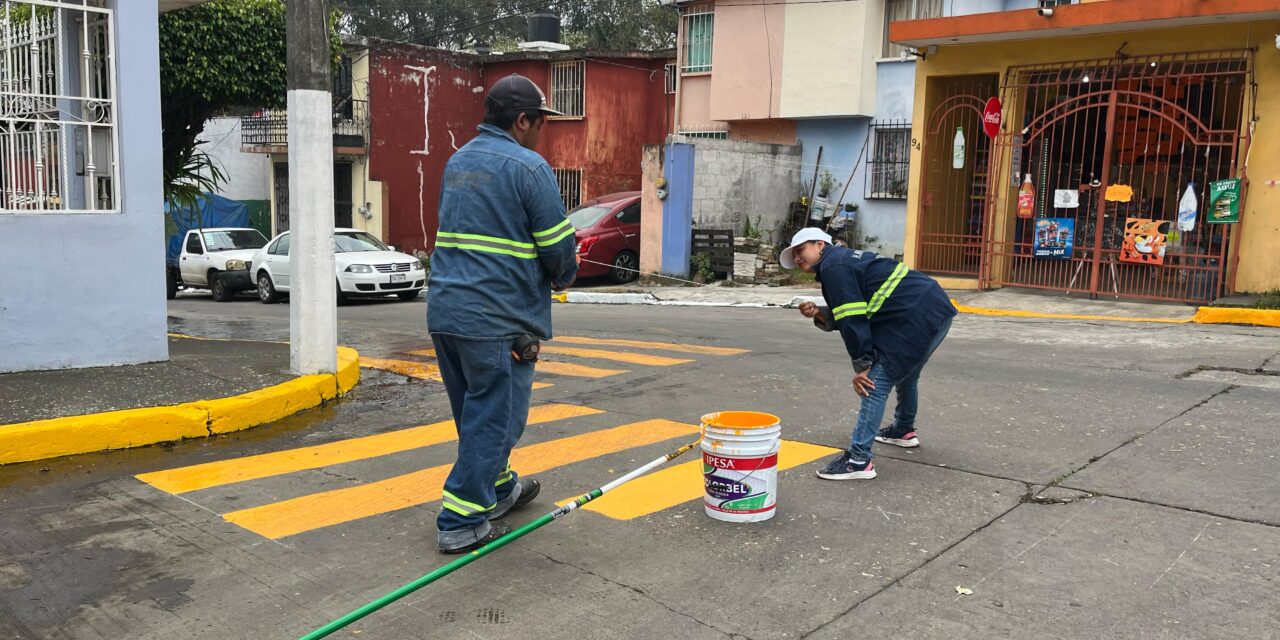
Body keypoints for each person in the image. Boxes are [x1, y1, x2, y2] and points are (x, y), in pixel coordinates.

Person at [427, 74, 579, 553]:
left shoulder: (458, 162)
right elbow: (558, 247)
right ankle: (460, 518)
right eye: (539, 123)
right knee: (496, 418)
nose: (541, 133)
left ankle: (499, 486)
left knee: (475, 412)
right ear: (521, 120)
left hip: (447, 313)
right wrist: (562, 275)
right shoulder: (529, 168)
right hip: (498, 320)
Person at [778, 228, 955, 481]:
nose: (797, 258)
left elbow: (852, 318)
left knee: (874, 383)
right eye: (794, 255)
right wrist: (820, 312)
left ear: (820, 245)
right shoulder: (841, 259)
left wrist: (863, 365)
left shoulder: (834, 267)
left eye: (800, 250)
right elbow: (856, 306)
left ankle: (858, 460)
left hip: (914, 316)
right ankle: (902, 430)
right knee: (906, 374)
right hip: (934, 308)